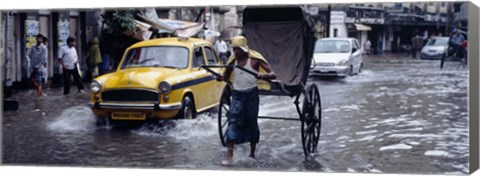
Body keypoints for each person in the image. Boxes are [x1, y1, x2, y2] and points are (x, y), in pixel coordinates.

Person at [216, 36, 277, 166]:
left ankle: (252, 153)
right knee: (232, 121)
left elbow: (273, 74)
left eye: (238, 49)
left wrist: (264, 75)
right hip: (237, 94)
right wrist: (220, 78)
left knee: (252, 122)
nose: (235, 52)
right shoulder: (232, 61)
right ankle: (230, 156)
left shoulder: (255, 60)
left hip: (252, 95)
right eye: (234, 49)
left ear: (244, 49)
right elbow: (226, 77)